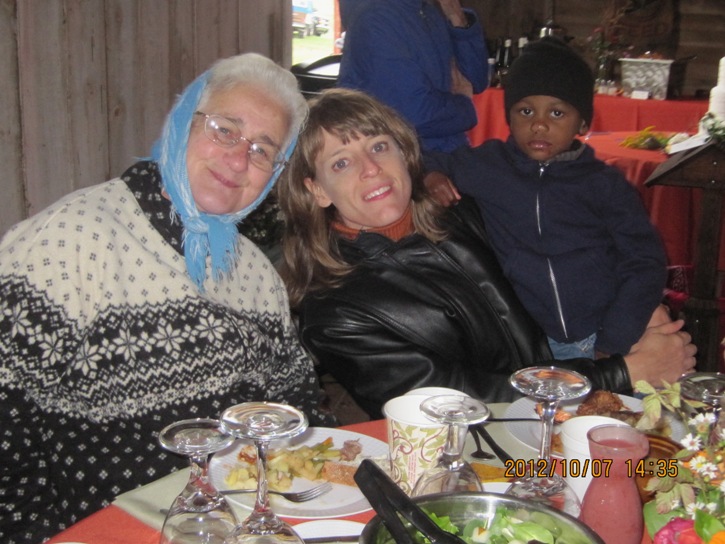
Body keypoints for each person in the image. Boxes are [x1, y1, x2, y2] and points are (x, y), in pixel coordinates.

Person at [0, 53, 333, 544]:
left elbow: (298, 404)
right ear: (181, 123)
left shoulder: (255, 273)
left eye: (263, 150)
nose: (239, 158)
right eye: (224, 129)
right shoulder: (68, 242)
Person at [276, 88, 696, 419]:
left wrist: (636, 315)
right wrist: (621, 374)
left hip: (566, 406)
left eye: (379, 146)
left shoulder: (461, 214)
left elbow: (568, 260)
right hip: (486, 460)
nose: (370, 168)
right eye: (341, 164)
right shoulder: (334, 311)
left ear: (405, 152)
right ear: (315, 190)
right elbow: (452, 404)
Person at [424, 37, 668, 360]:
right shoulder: (486, 166)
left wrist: (615, 339)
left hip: (604, 335)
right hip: (529, 343)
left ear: (581, 122)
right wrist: (431, 175)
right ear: (508, 115)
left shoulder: (604, 185)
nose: (539, 124)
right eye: (525, 110)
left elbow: (644, 261)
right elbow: (420, 160)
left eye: (556, 112)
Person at [336, 0, 488, 153]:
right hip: (408, 160)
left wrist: (457, 18)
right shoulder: (377, 18)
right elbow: (413, 116)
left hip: (449, 152)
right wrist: (464, 105)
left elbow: (476, 81)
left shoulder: (428, 11)